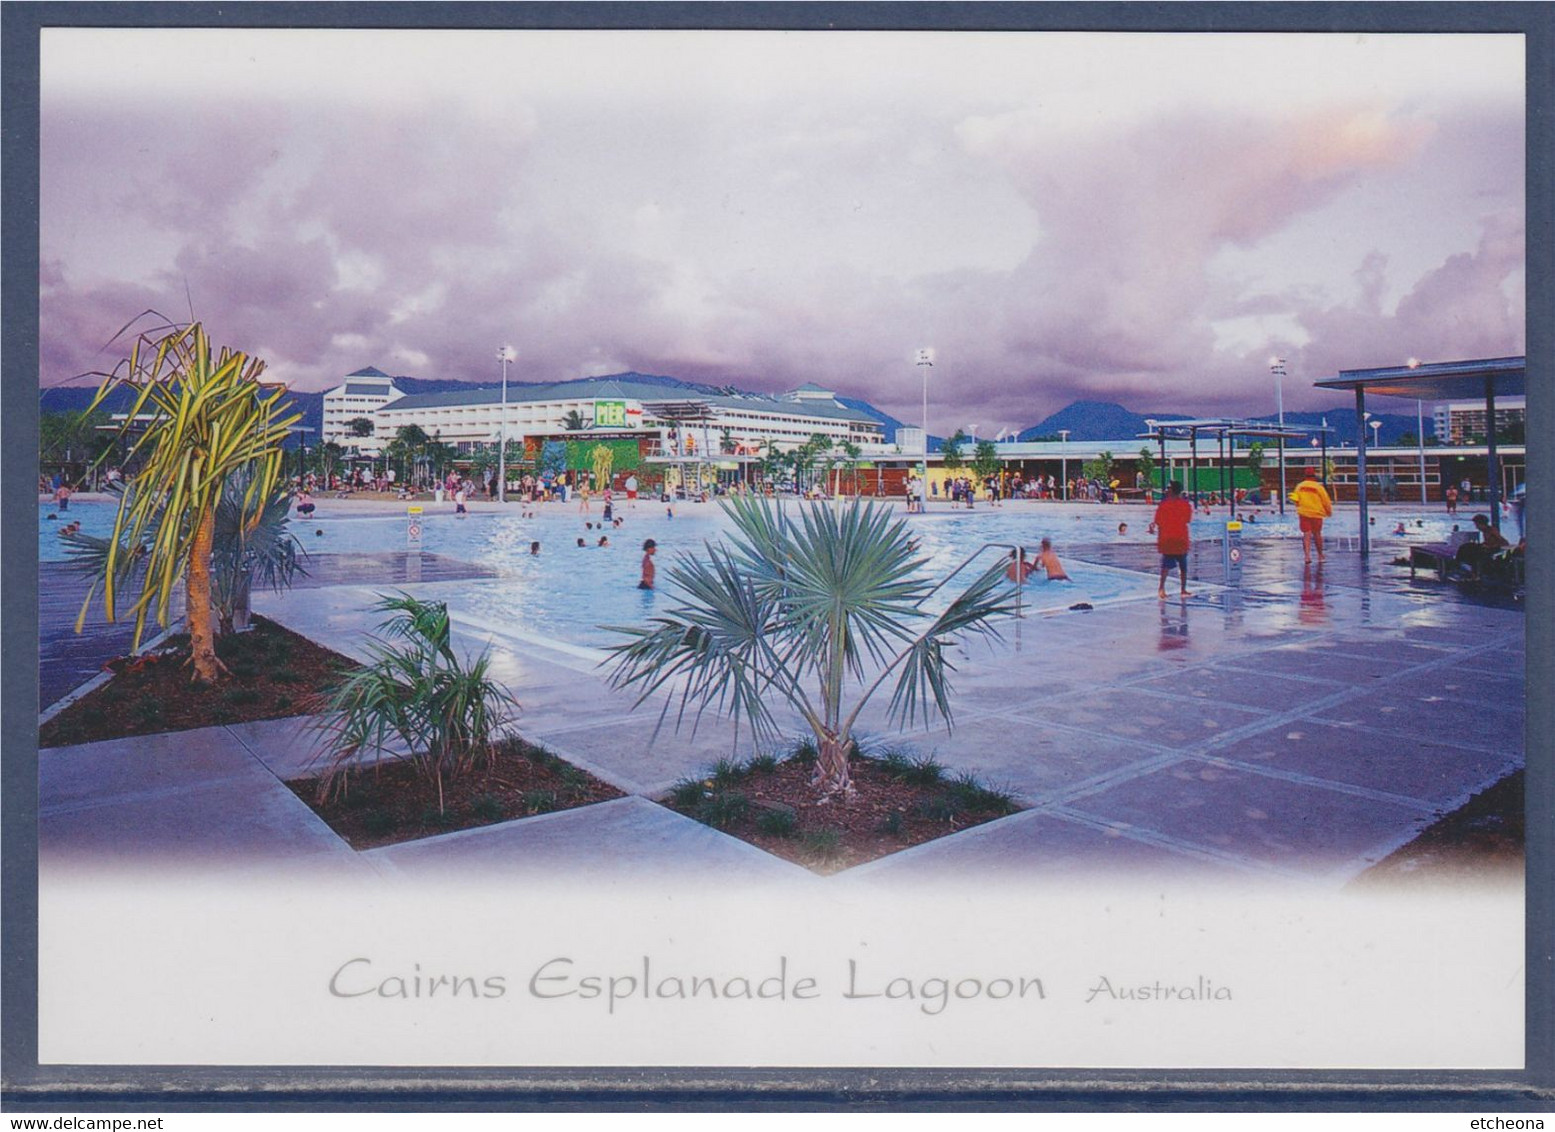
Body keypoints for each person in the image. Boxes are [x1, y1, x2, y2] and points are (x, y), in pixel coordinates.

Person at [1153, 480, 1193, 599]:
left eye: (1168, 488)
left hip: (1168, 539)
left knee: (1165, 566)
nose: (1166, 490)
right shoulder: (1186, 505)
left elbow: (1158, 521)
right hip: (1180, 538)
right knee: (1183, 566)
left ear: (1172, 490)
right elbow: (1187, 520)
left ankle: (1161, 589)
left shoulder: (1163, 505)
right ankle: (1183, 589)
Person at [1289, 467, 1334, 563]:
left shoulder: (1299, 486)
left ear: (1305, 476)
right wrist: (1329, 512)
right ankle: (1320, 556)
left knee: (1306, 534)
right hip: (1316, 513)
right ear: (1314, 476)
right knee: (1317, 534)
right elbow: (1326, 501)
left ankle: (1307, 557)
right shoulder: (1319, 487)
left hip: (1304, 513)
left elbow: (1295, 499)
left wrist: (1299, 506)